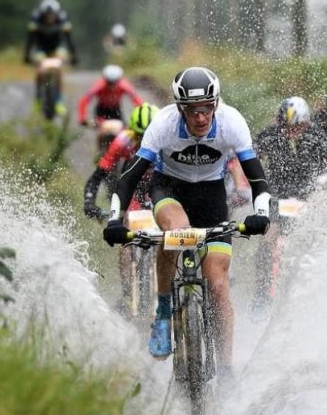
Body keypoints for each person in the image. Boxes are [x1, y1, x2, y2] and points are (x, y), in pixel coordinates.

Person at [102, 67, 271, 373]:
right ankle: (164, 313)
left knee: (218, 285)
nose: (201, 117)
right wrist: (116, 219)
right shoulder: (163, 124)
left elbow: (258, 180)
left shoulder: (232, 122)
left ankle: (226, 371)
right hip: (170, 189)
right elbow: (129, 179)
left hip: (211, 196)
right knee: (177, 233)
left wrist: (262, 214)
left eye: (207, 108)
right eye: (193, 110)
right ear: (180, 108)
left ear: (216, 104)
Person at [249, 97, 327, 313]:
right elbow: (250, 159)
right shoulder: (269, 135)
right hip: (276, 197)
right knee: (267, 241)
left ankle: (318, 293)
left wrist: (326, 191)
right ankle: (261, 293)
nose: (292, 131)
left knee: (317, 243)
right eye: (287, 127)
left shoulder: (318, 137)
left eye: (297, 127)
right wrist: (250, 186)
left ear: (306, 123)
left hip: (308, 197)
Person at [83, 103, 159, 220]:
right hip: (134, 181)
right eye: (139, 136)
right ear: (132, 131)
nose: (144, 141)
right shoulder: (123, 141)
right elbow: (97, 176)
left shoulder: (168, 142)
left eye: (150, 136)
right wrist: (89, 202)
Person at [23, 0, 78, 116]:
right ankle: (38, 99)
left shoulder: (63, 19)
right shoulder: (35, 19)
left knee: (58, 70)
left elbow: (69, 40)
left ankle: (59, 101)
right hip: (40, 48)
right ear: (43, 14)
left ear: (56, 14)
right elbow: (30, 40)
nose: (50, 18)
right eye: (47, 15)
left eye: (52, 15)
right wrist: (26, 55)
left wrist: (74, 55)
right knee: (40, 71)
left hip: (57, 48)